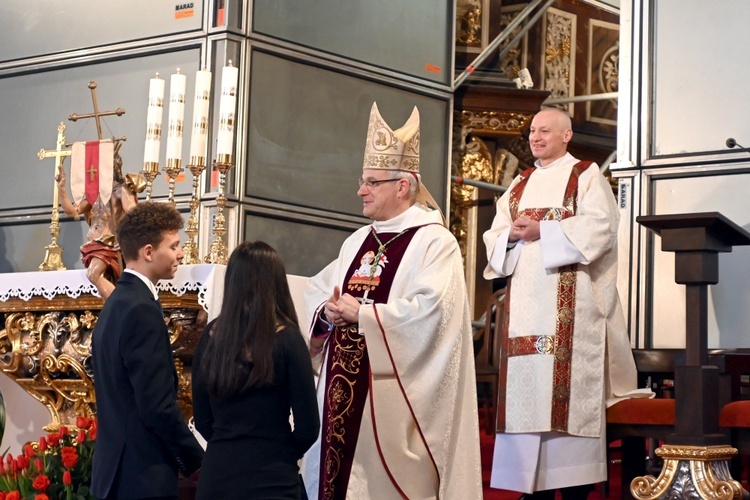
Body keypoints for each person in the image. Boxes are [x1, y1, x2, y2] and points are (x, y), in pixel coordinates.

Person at [300, 102, 483, 499]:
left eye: (371, 182)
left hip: (391, 402)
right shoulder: (357, 240)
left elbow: (434, 315)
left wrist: (365, 314)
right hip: (339, 390)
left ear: (402, 186)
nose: (360, 190)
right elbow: (321, 290)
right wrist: (327, 313)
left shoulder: (435, 241)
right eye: (362, 180)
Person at [482, 107, 650, 499]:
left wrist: (544, 230)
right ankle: (531, 487)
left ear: (566, 135)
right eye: (531, 131)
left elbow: (601, 230)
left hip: (572, 314)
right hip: (525, 311)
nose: (535, 137)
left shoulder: (585, 175)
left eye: (544, 130)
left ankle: (573, 488)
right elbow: (495, 236)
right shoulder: (520, 184)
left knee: (567, 397)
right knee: (528, 398)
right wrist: (510, 237)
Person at [91, 201, 204, 499]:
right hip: (140, 475)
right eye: (174, 246)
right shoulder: (140, 308)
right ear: (149, 252)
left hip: (117, 470)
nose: (181, 254)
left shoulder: (118, 301)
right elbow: (156, 404)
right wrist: (197, 461)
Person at [191, 240, 320, 499]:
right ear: (275, 284)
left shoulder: (211, 335)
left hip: (218, 477)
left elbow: (203, 420)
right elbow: (308, 427)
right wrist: (280, 453)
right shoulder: (288, 339)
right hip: (272, 477)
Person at [57, 146, 145, 300]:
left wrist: (126, 239)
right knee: (104, 281)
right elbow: (71, 211)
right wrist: (62, 189)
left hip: (109, 244)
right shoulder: (93, 194)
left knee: (93, 274)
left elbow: (135, 215)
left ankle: (118, 306)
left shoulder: (122, 190)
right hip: (93, 244)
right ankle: (114, 311)